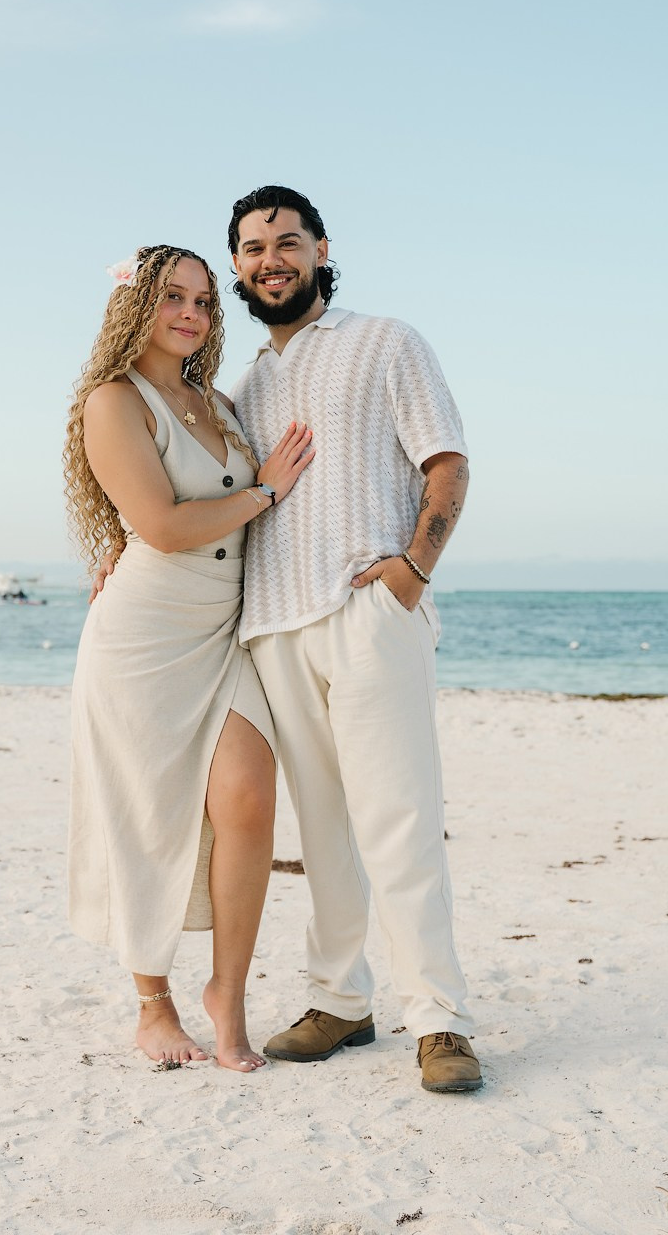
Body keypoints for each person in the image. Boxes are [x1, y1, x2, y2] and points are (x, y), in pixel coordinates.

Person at [224, 186, 484, 1093]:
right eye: (253, 248)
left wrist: (414, 569)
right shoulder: (240, 390)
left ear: (321, 249)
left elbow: (447, 460)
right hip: (272, 626)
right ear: (237, 266)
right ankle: (340, 1000)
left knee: (399, 821)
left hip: (367, 613)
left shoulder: (386, 341)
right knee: (322, 832)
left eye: (287, 242)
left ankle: (440, 1022)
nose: (271, 260)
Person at [64, 244, 316, 1072]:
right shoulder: (114, 401)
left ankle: (227, 996)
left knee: (248, 798)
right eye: (173, 297)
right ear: (135, 306)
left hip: (223, 632)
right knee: (145, 813)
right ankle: (153, 1006)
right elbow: (166, 528)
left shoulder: (217, 401)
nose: (191, 314)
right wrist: (264, 492)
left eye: (204, 301)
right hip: (144, 638)